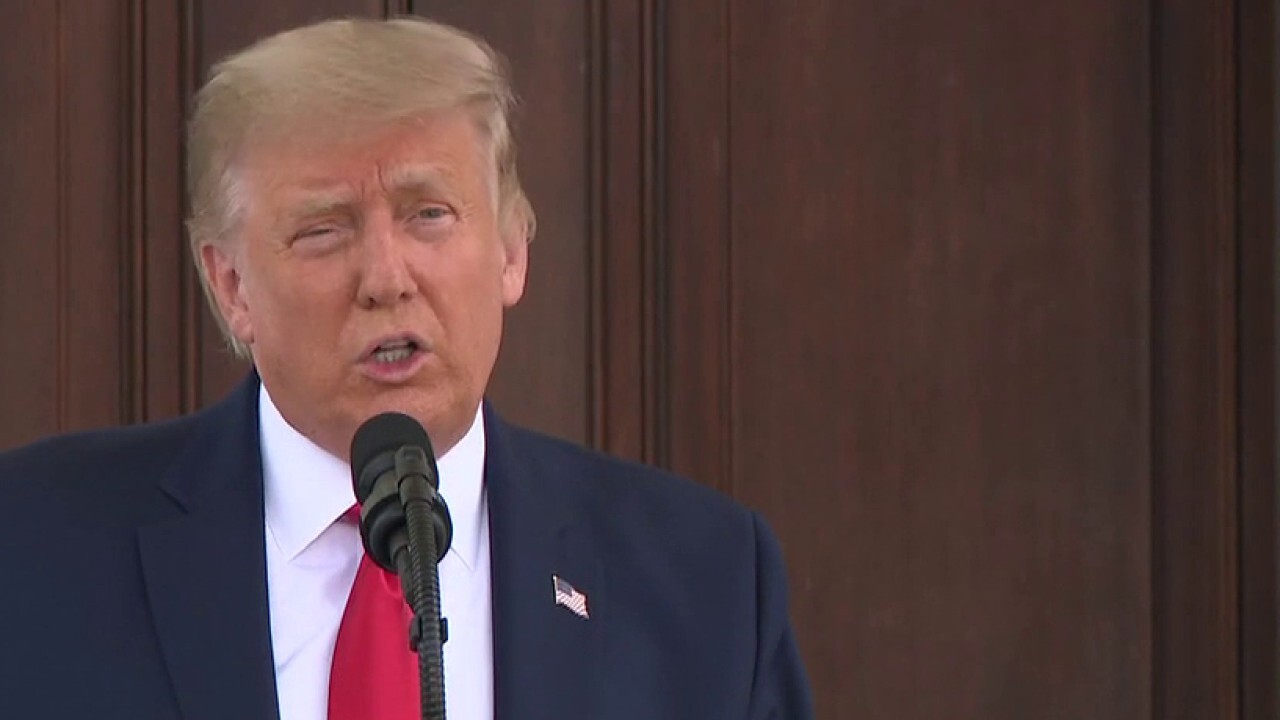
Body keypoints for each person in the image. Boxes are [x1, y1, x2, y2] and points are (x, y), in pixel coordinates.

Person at [0, 17, 813, 720]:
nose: (387, 277)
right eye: (323, 229)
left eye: (430, 214)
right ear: (232, 285)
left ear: (511, 251)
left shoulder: (703, 581)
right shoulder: (35, 552)